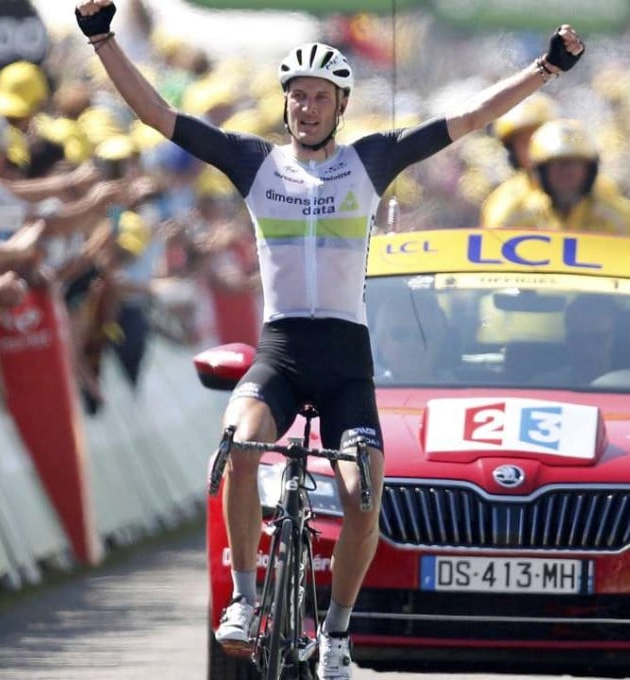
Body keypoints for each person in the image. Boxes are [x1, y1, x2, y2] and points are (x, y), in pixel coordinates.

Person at [74, 2, 584, 677]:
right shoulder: (254, 163)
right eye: (297, 96)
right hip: (282, 352)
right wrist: (102, 37)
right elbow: (156, 115)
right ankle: (246, 601)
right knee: (238, 446)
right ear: (284, 103)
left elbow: (468, 118)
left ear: (341, 105)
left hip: (346, 363)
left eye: (319, 97)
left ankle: (337, 635)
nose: (306, 108)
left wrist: (545, 68)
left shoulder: (371, 160)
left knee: (362, 493)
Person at [486, 118, 630, 233]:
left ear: (590, 171)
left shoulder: (618, 218)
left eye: (575, 165)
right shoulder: (512, 215)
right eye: (559, 166)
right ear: (540, 172)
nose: (568, 174)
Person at [481, 93, 557, 227]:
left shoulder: (596, 195)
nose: (533, 148)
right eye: (524, 142)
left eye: (539, 137)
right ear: (512, 151)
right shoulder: (503, 204)